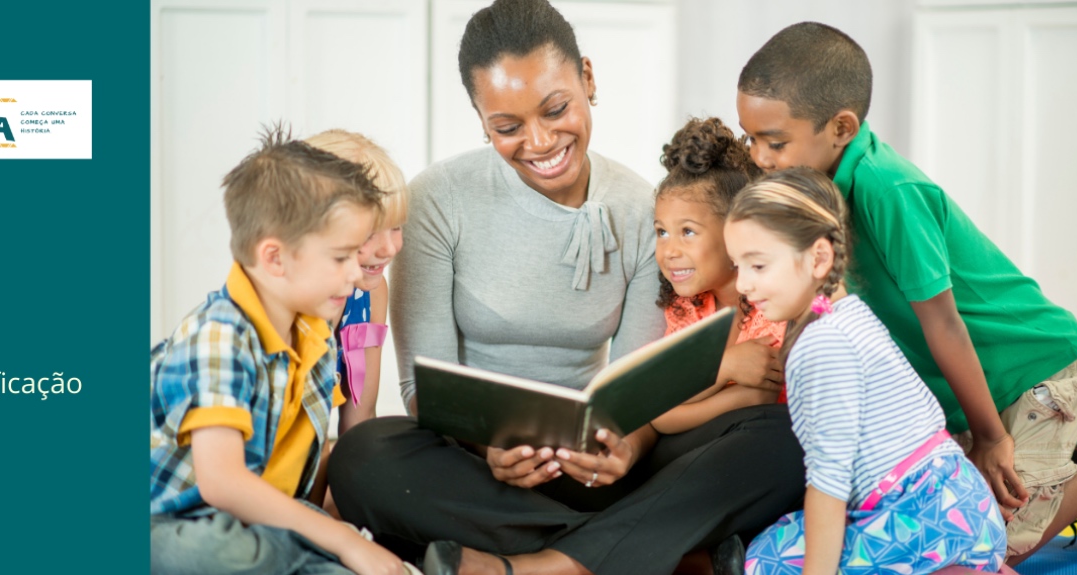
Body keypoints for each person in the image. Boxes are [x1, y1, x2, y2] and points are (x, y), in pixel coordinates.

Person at [327, 2, 805, 574]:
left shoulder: (639, 209)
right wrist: (490, 449)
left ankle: (543, 564)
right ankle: (669, 554)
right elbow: (422, 386)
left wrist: (626, 447)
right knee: (363, 455)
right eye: (507, 127)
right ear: (481, 119)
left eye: (556, 109)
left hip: (603, 465)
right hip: (483, 471)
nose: (539, 141)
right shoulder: (436, 200)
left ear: (588, 79)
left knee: (784, 436)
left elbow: (641, 389)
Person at [735, 21, 1077, 564]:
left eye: (775, 141)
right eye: (751, 139)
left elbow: (943, 323)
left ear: (841, 127)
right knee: (943, 542)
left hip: (1030, 369)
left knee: (993, 546)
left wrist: (992, 438)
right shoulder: (814, 195)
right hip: (969, 392)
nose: (760, 157)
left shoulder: (887, 187)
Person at [149, 128, 413, 575]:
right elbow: (223, 484)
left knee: (301, 538)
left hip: (255, 522)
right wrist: (343, 540)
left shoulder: (312, 335)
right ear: (275, 258)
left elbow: (304, 463)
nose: (357, 273)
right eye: (341, 257)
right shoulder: (219, 334)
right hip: (171, 521)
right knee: (225, 551)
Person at [726, 167, 1007, 574]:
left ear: (819, 258)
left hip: (928, 517)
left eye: (757, 266)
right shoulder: (850, 313)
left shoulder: (822, 344)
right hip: (963, 503)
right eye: (737, 266)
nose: (742, 285)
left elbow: (829, 482)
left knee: (764, 562)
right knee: (784, 535)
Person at [650, 117, 788, 436]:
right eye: (661, 232)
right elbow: (656, 410)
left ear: (735, 232)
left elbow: (761, 402)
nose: (668, 250)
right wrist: (724, 367)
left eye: (687, 232)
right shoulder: (688, 307)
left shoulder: (772, 309)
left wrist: (690, 392)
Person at [306, 129, 410, 434]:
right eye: (369, 233)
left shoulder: (372, 293)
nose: (388, 249)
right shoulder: (295, 306)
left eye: (397, 227)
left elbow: (360, 418)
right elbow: (299, 441)